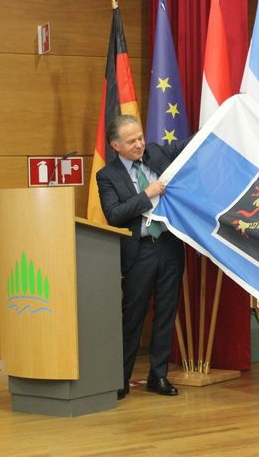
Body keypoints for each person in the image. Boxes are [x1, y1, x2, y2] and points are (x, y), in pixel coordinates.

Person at [97, 114, 189, 400]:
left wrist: (227, 117)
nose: (139, 145)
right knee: (133, 317)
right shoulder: (108, 176)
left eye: (140, 137)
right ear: (116, 145)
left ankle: (158, 377)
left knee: (165, 313)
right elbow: (114, 215)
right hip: (140, 251)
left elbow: (193, 144)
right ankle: (120, 380)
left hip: (170, 246)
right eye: (132, 141)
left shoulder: (156, 152)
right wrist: (146, 195)